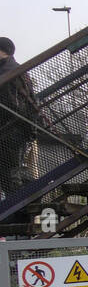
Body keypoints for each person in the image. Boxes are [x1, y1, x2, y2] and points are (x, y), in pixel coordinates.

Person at [0, 38, 48, 197]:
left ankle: (18, 207)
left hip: (12, 129)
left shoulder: (7, 72)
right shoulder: (14, 69)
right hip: (17, 127)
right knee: (12, 171)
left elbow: (12, 104)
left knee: (10, 172)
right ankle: (23, 202)